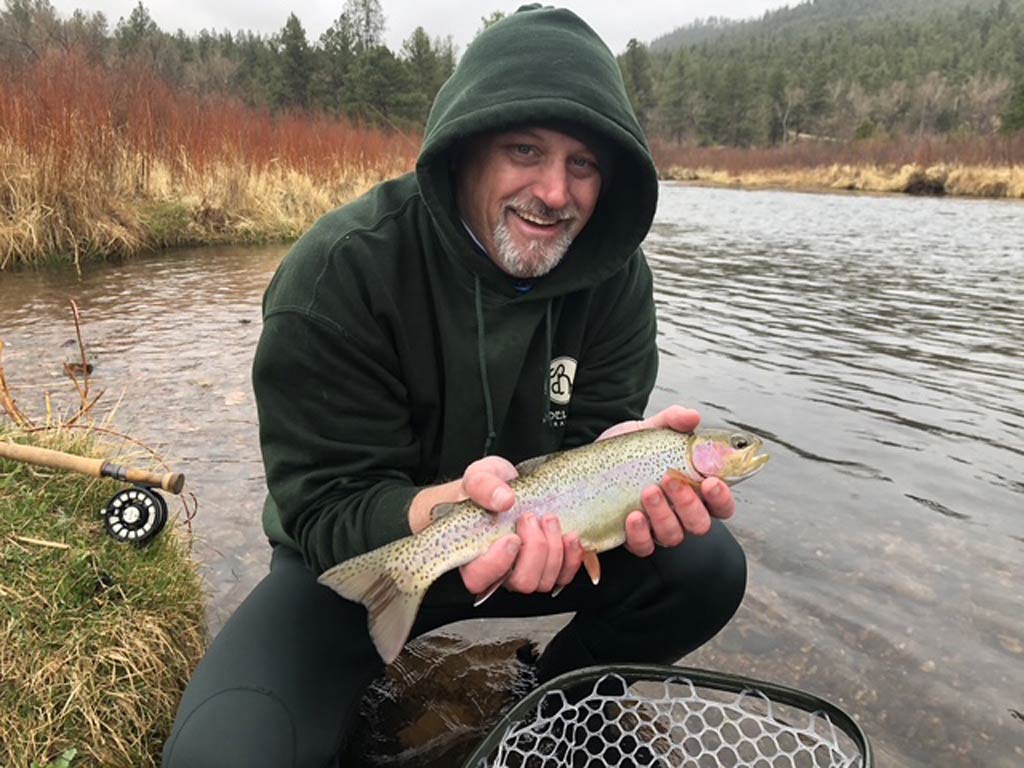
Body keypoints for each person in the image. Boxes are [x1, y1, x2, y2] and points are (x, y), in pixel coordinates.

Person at [162, 6, 746, 766]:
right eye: (525, 149)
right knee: (224, 755)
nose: (554, 192)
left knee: (706, 565)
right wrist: (439, 510)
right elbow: (324, 503)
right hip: (367, 558)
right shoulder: (342, 270)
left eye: (584, 165)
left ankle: (548, 701)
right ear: (465, 150)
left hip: (545, 537)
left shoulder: (615, 279)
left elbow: (596, 429)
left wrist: (624, 468)